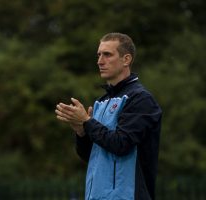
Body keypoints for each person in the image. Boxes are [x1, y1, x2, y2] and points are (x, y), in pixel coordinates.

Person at [55, 32, 162, 200]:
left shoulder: (140, 99)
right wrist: (81, 132)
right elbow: (90, 155)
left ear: (126, 59)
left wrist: (87, 122)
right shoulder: (101, 102)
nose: (99, 61)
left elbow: (121, 144)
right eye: (98, 55)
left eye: (107, 54)